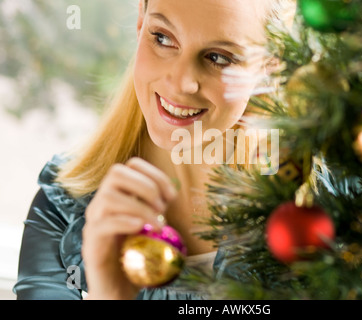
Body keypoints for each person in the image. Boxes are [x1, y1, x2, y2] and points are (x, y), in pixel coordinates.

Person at [14, 0, 294, 300]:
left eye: (218, 57)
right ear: (140, 24)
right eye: (162, 37)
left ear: (269, 66)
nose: (181, 82)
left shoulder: (307, 214)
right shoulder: (65, 201)